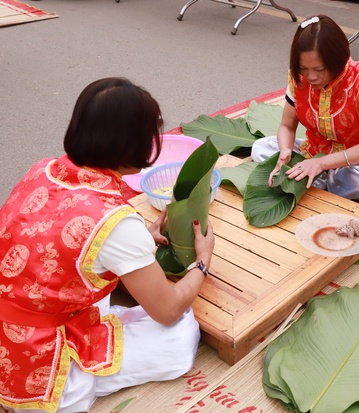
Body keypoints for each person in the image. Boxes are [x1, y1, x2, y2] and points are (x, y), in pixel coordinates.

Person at [0, 77, 215, 413]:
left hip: (12, 318)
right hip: (38, 357)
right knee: (181, 333)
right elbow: (168, 310)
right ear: (130, 145)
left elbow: (62, 236)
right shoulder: (116, 224)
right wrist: (202, 261)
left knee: (111, 300)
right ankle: (76, 385)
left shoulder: (44, 169)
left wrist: (137, 238)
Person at [251, 14, 359, 202]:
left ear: (337, 59)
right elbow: (287, 126)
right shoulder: (298, 79)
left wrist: (321, 164)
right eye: (304, 69)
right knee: (260, 149)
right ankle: (328, 181)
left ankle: (320, 178)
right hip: (317, 150)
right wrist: (285, 150)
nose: (311, 77)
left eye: (319, 69)